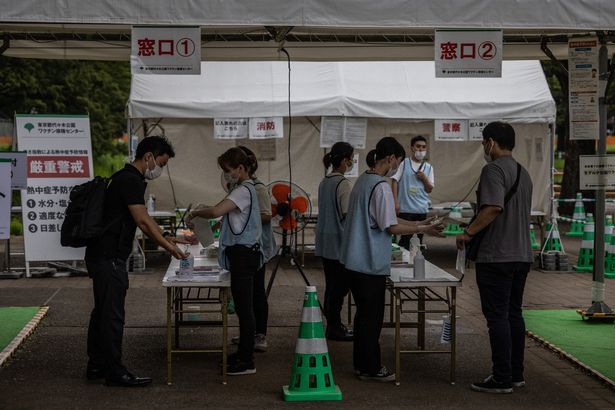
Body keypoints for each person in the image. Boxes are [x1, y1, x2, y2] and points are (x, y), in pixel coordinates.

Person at [85, 136, 189, 387]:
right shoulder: (131, 181)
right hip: (110, 258)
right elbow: (142, 220)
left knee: (102, 311)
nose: (159, 169)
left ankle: (97, 364)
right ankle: (114, 371)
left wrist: (167, 236)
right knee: (112, 315)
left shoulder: (122, 178)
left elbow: (141, 220)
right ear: (148, 157)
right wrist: (170, 248)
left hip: (101, 254)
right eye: (160, 163)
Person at [340, 137, 444, 382]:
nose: (398, 165)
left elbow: (389, 220)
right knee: (371, 318)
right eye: (398, 160)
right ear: (390, 159)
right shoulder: (381, 186)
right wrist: (423, 228)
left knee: (363, 315)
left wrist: (420, 224)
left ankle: (362, 364)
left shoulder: (362, 181)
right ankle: (371, 368)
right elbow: (391, 227)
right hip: (369, 262)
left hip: (354, 261)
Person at [456, 121, 533, 394]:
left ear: (491, 142)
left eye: (483, 142)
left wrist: (467, 233)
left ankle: (501, 377)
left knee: (497, 317)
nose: (483, 147)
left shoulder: (492, 170)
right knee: (513, 314)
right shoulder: (524, 173)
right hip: (522, 255)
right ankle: (515, 373)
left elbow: (492, 208)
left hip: (497, 256)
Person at [187, 147, 264, 376]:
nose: (226, 175)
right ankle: (243, 353)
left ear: (241, 168)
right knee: (243, 307)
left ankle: (247, 360)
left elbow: (216, 211)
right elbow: (228, 216)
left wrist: (196, 212)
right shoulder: (241, 189)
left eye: (228, 170)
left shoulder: (243, 190)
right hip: (242, 253)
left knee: (245, 309)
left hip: (244, 255)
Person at [234, 145, 276, 352]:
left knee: (257, 291)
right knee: (247, 294)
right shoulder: (241, 188)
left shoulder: (258, 188)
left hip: (258, 247)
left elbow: (267, 214)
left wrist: (243, 217)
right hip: (246, 246)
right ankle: (247, 333)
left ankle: (260, 334)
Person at [315, 142, 354, 341]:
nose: (352, 162)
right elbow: (348, 214)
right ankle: (335, 327)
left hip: (324, 241)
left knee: (331, 285)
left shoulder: (324, 181)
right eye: (351, 158)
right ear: (345, 160)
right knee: (339, 288)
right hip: (339, 243)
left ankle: (332, 324)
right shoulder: (343, 183)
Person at [392, 135, 434, 248]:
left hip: (421, 209)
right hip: (405, 209)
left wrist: (424, 178)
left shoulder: (428, 167)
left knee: (418, 241)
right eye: (418, 146)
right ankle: (405, 262)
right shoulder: (404, 163)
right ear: (412, 148)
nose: (421, 149)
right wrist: (395, 202)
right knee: (405, 239)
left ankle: (415, 262)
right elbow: (394, 181)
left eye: (424, 147)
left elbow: (429, 189)